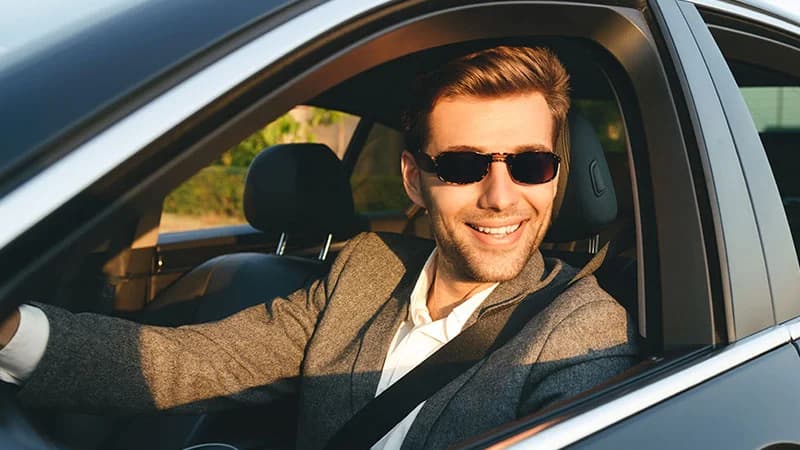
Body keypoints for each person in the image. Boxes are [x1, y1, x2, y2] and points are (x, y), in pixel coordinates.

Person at [0, 45, 638, 449]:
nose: (501, 197)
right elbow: (190, 362)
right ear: (415, 179)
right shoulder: (365, 269)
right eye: (465, 165)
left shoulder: (581, 331)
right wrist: (9, 334)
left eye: (531, 165)